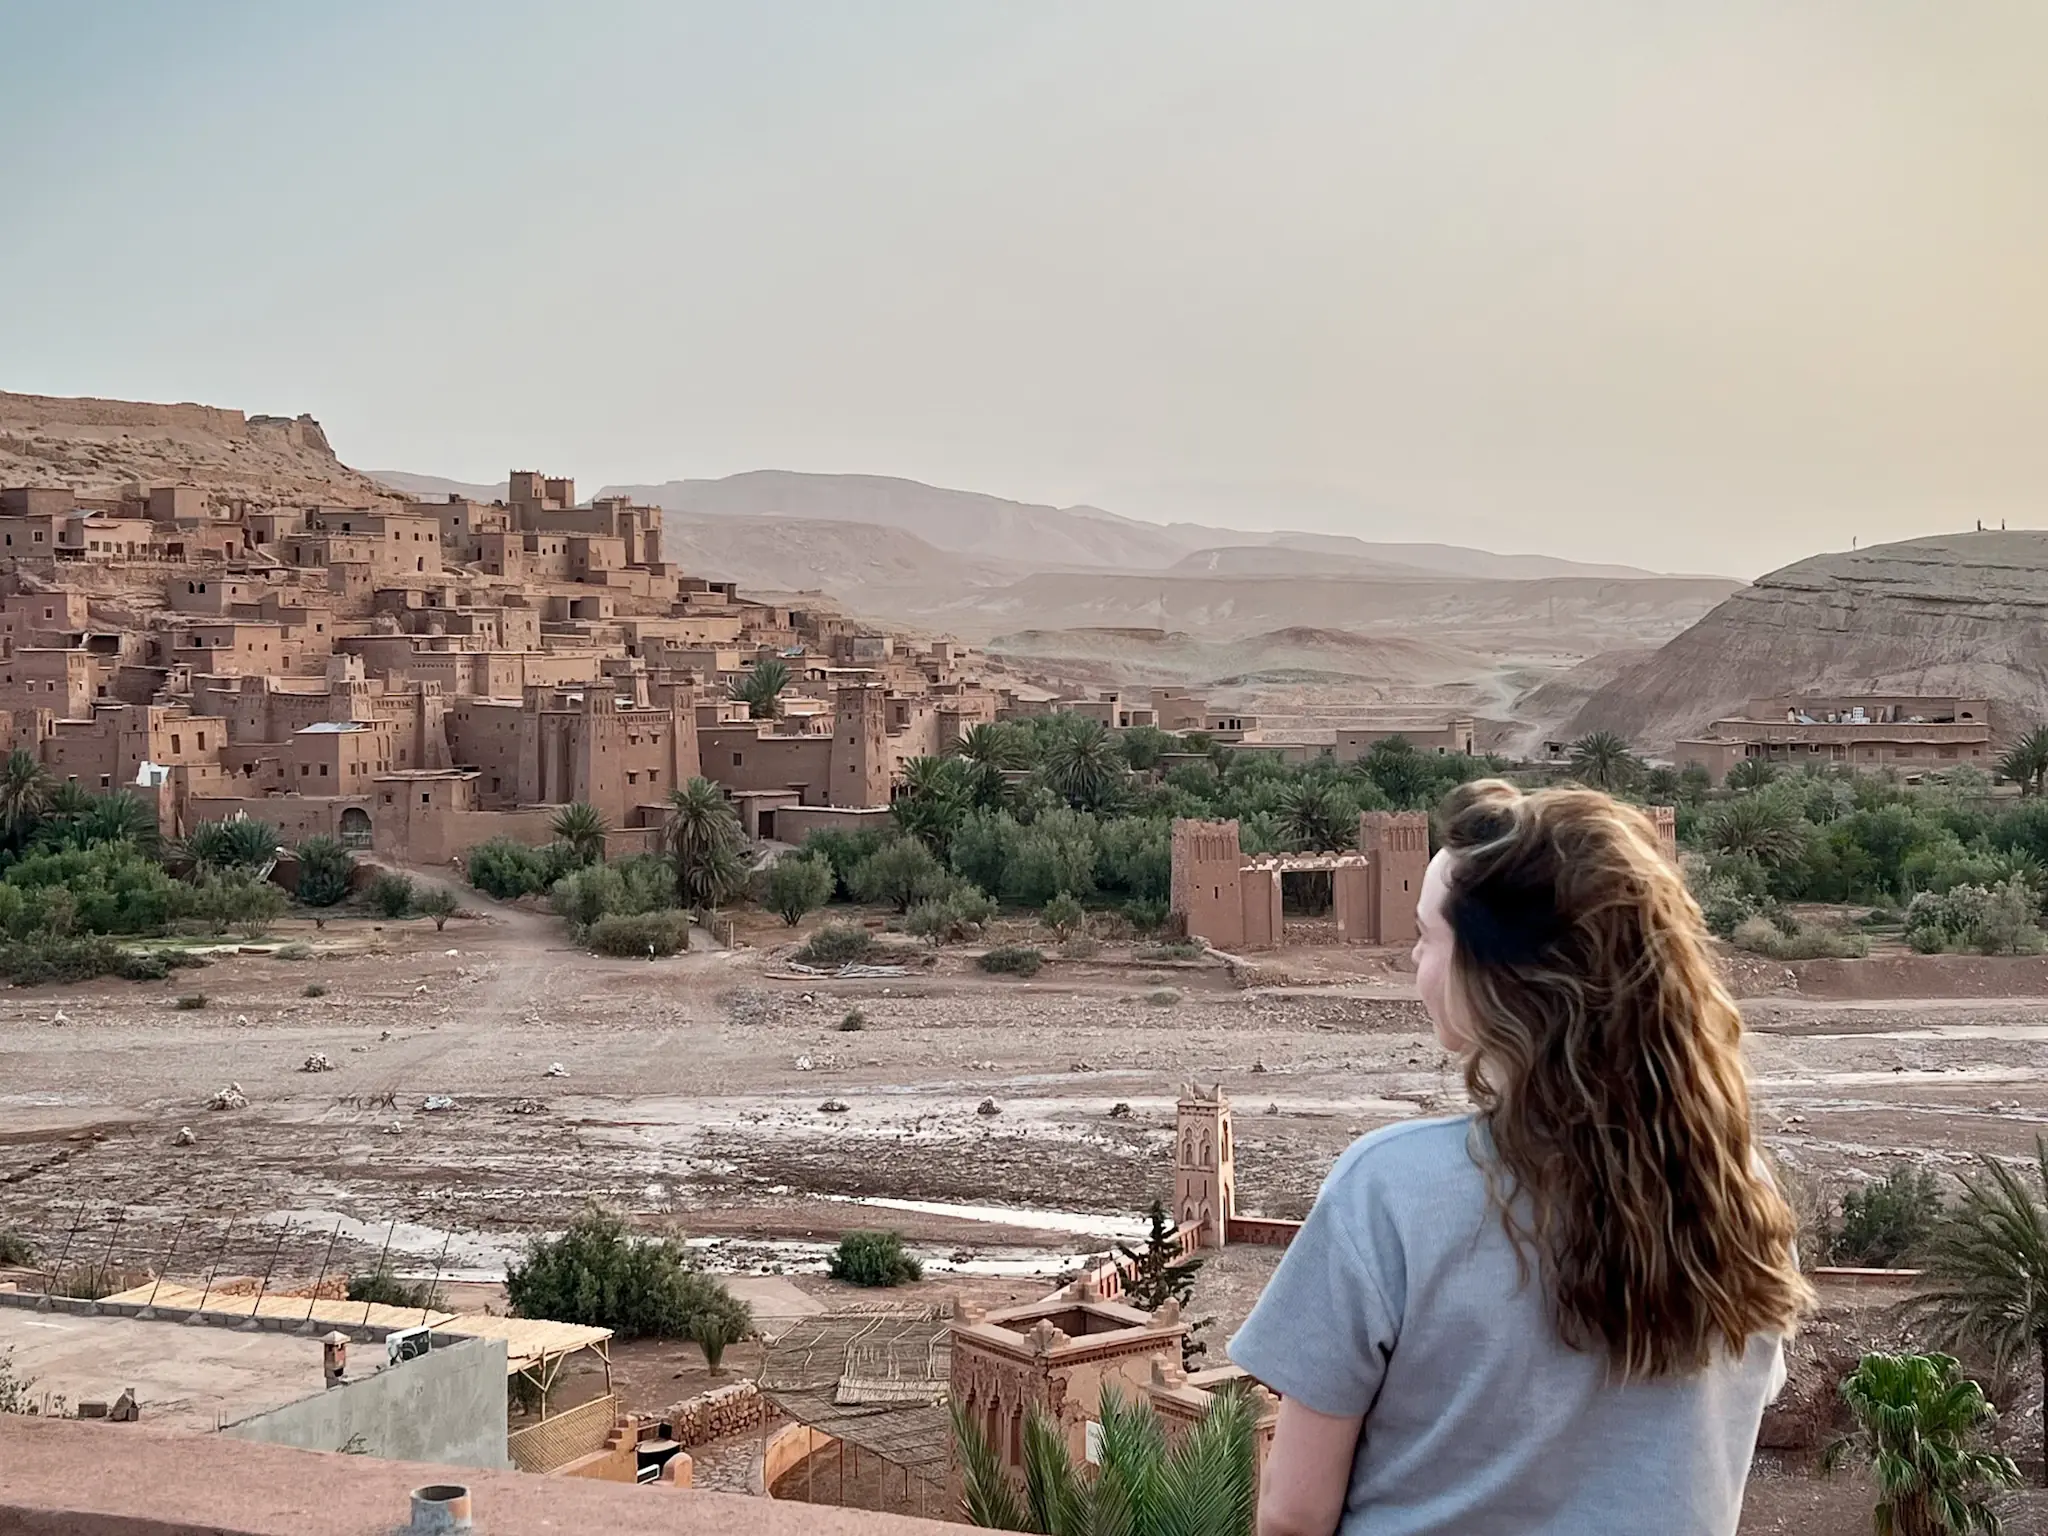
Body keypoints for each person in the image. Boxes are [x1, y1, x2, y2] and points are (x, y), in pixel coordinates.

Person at [1231, 780, 1810, 1536]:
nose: (1414, 959)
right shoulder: (1733, 1195)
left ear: (1496, 976)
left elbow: (1294, 1513)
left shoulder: (1389, 1192)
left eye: (1428, 938)